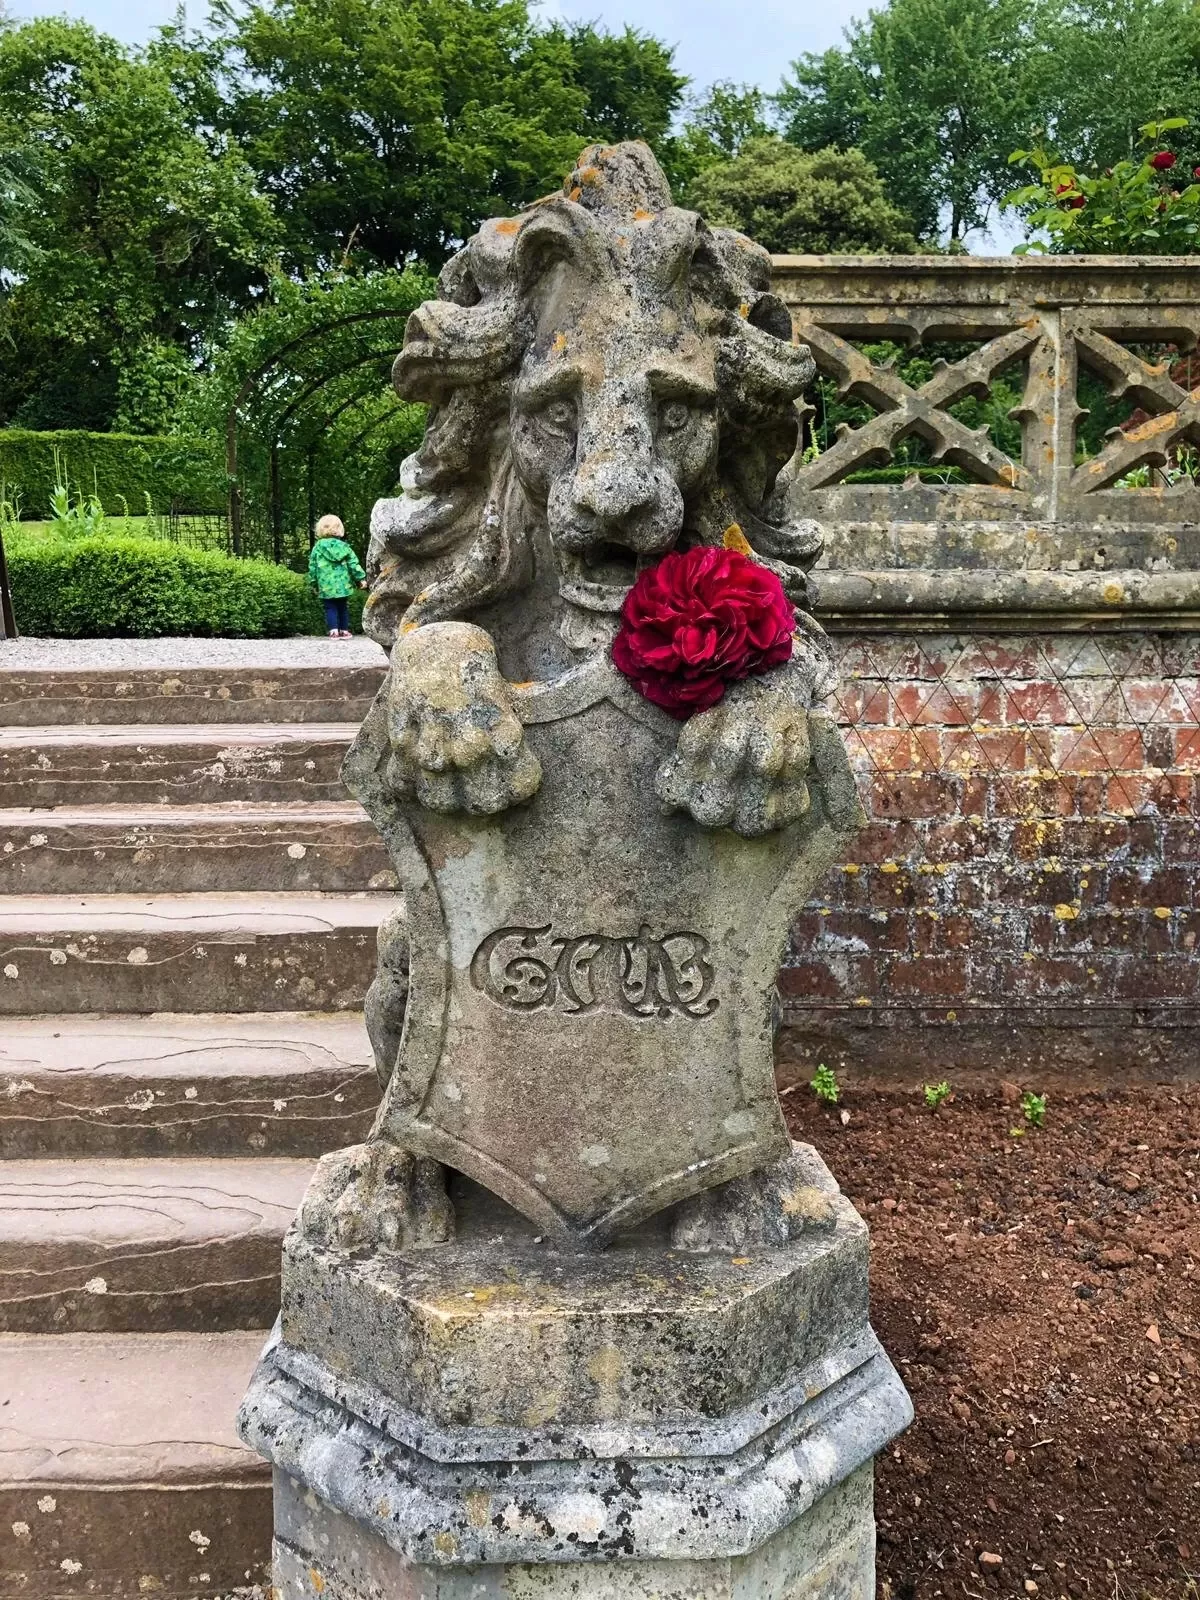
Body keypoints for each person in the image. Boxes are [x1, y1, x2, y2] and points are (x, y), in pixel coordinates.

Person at [308, 515, 367, 638]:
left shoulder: (317, 547)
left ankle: (333, 631)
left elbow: (313, 566)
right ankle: (344, 630)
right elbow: (353, 564)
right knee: (343, 607)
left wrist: (313, 582)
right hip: (343, 585)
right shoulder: (344, 547)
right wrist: (360, 579)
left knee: (330, 607)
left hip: (325, 584)